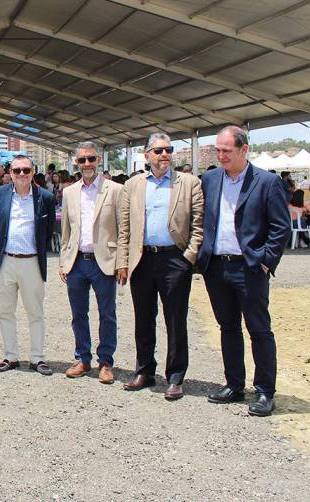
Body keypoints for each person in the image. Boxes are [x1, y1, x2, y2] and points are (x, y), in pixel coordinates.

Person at [198, 126, 289, 417]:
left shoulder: (266, 182)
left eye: (227, 150)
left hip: (249, 268)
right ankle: (234, 384)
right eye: (218, 150)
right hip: (217, 267)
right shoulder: (210, 179)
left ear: (244, 150)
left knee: (259, 330)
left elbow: (280, 227)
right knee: (227, 327)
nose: (221, 155)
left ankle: (264, 391)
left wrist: (265, 260)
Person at [116, 134, 204, 400]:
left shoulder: (189, 183)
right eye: (158, 151)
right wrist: (123, 261)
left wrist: (188, 256)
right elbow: (125, 228)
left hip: (174, 259)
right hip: (142, 260)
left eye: (168, 150)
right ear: (147, 155)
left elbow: (198, 225)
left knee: (175, 319)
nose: (164, 155)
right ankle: (145, 370)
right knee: (143, 318)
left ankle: (175, 376)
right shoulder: (132, 185)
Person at [59, 143, 123, 384]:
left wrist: (121, 261)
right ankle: (83, 358)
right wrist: (64, 261)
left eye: (91, 159)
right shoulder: (69, 192)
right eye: (82, 160)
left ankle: (105, 361)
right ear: (76, 162)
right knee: (78, 314)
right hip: (77, 262)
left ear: (99, 160)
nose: (87, 164)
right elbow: (66, 230)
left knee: (107, 313)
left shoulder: (115, 190)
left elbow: (122, 229)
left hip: (103, 261)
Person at [0, 155, 55, 375]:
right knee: (5, 311)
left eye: (26, 170)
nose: (22, 175)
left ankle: (37, 358)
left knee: (35, 312)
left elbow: (47, 232)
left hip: (32, 262)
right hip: (6, 260)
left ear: (33, 172)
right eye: (17, 171)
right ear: (10, 173)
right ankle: (10, 356)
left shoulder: (45, 197)